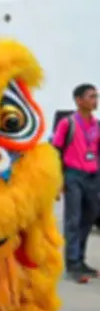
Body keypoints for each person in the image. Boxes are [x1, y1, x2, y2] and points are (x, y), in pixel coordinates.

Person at [51, 83, 99, 283]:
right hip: (73, 175)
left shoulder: (96, 125)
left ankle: (81, 260)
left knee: (88, 219)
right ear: (79, 100)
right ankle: (73, 265)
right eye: (91, 96)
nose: (95, 100)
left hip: (93, 177)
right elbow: (56, 151)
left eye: (96, 96)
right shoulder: (67, 123)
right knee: (73, 220)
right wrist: (58, 180)